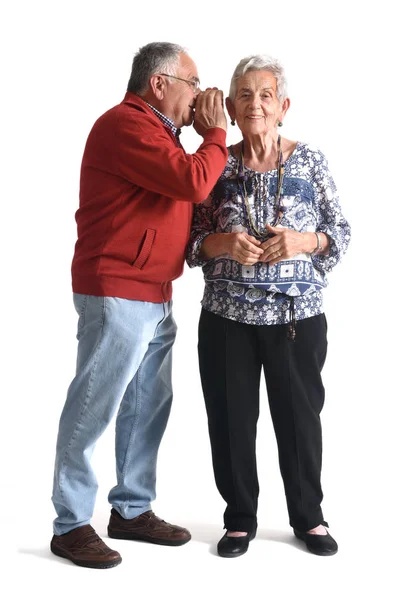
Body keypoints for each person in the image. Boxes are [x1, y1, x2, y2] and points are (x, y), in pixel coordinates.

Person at [50, 41, 228, 569]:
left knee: (145, 407)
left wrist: (200, 138)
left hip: (154, 290)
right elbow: (194, 181)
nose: (198, 95)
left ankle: (131, 509)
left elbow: (185, 181)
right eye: (192, 84)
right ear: (160, 83)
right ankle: (70, 523)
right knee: (95, 405)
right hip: (116, 286)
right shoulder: (127, 126)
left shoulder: (162, 133)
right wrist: (216, 134)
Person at [187, 54, 351, 558]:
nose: (254, 104)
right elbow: (191, 244)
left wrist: (305, 241)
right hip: (227, 319)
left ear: (282, 106)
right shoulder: (214, 164)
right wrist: (223, 242)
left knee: (300, 420)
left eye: (264, 95)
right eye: (244, 95)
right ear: (231, 110)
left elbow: (341, 235)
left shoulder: (311, 161)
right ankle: (239, 519)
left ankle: (309, 517)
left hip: (295, 320)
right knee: (232, 420)